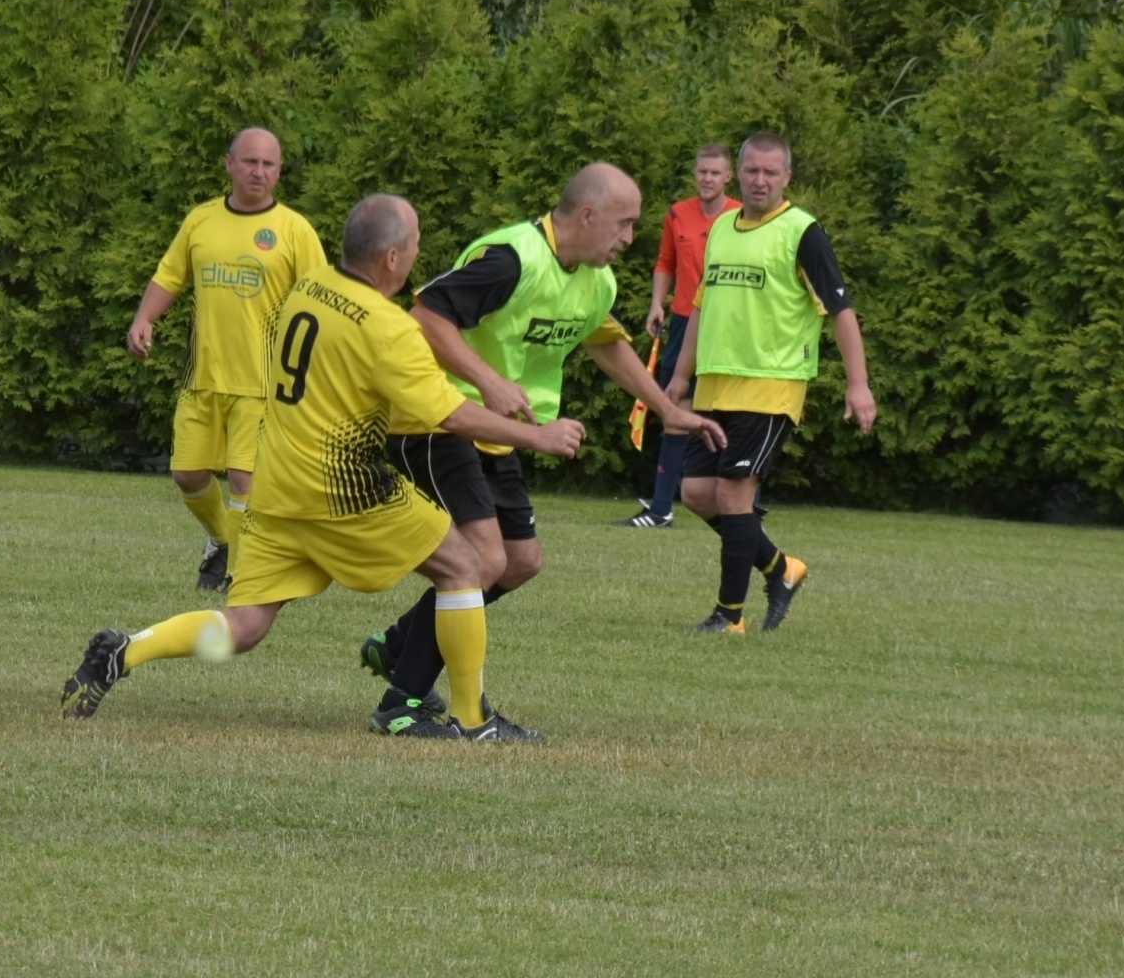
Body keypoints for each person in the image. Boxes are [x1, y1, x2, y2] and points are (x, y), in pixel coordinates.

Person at [62, 195, 586, 741]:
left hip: (276, 486)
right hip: (344, 487)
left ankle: (127, 650)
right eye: (414, 244)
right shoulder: (387, 327)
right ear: (390, 258)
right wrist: (537, 435)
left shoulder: (306, 289)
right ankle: (473, 722)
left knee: (242, 627)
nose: (418, 254)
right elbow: (450, 414)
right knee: (467, 566)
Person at [356, 163, 728, 738]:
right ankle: (400, 703)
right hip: (437, 419)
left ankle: (401, 646)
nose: (630, 239)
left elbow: (607, 344)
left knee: (521, 562)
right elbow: (426, 315)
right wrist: (490, 380)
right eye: (625, 224)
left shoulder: (595, 281)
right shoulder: (512, 258)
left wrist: (668, 409)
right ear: (588, 215)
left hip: (493, 433)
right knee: (483, 562)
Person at [666, 132, 877, 635]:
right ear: (739, 173)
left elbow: (841, 310)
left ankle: (729, 617)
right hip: (715, 384)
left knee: (735, 496)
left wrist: (859, 384)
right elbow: (700, 306)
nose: (760, 180)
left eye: (771, 172)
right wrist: (678, 377)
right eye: (752, 171)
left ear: (787, 178)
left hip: (771, 383)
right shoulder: (720, 229)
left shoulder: (802, 231)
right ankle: (782, 570)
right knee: (697, 494)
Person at [127, 128, 328, 593]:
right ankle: (221, 541)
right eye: (250, 162)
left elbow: (321, 302)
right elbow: (169, 277)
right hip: (203, 378)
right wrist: (143, 318)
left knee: (245, 480)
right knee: (187, 474)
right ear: (229, 164)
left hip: (263, 384)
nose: (259, 172)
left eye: (269, 165)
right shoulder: (201, 222)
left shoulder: (295, 230)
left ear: (279, 172)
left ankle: (240, 575)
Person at [616, 143, 741, 529]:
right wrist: (657, 303)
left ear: (728, 177)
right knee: (674, 406)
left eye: (715, 173)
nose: (707, 178)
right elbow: (665, 262)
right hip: (685, 321)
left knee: (734, 413)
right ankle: (660, 508)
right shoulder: (677, 214)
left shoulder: (741, 216)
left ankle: (743, 505)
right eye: (702, 171)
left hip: (727, 327)